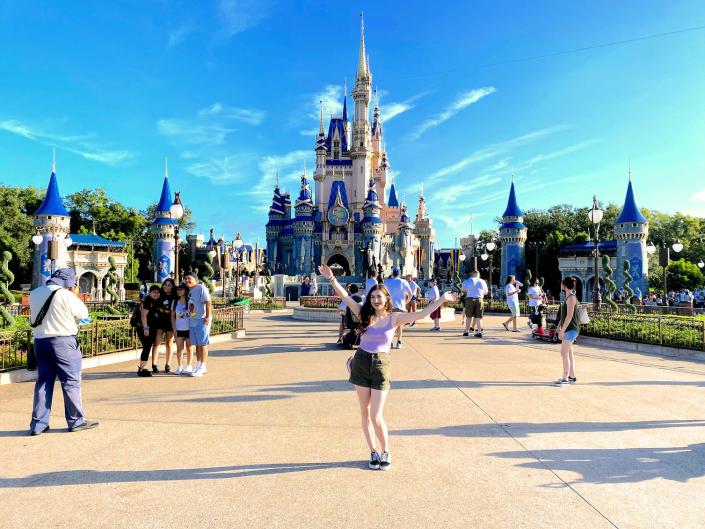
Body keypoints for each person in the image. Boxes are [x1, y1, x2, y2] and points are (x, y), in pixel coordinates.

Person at [319, 264, 455, 471]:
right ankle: (372, 451)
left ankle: (386, 450)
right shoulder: (364, 314)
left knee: (376, 415)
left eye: (379, 297)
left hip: (382, 364)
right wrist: (331, 279)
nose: (375, 300)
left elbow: (421, 314)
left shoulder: (395, 318)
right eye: (372, 297)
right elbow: (345, 296)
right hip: (362, 361)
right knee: (364, 412)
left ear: (386, 299)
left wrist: (442, 299)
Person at [29, 268, 99, 435]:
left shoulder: (35, 293)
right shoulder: (66, 295)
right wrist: (74, 294)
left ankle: (38, 424)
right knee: (71, 381)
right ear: (69, 282)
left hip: (40, 342)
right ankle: (76, 421)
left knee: (44, 382)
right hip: (63, 343)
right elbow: (83, 313)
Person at [185, 272, 212, 377]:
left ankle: (203, 366)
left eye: (189, 278)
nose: (187, 280)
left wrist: (207, 317)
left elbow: (208, 302)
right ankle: (198, 363)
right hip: (192, 320)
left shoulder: (201, 288)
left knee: (203, 344)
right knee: (197, 344)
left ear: (195, 279)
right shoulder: (190, 291)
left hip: (201, 320)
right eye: (186, 278)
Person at [556, 276, 580, 386]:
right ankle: (572, 376)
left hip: (571, 329)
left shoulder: (571, 298)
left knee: (564, 353)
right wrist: (559, 326)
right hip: (569, 329)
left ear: (564, 285)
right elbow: (564, 315)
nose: (561, 285)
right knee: (569, 353)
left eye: (562, 283)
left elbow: (569, 316)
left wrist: (562, 331)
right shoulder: (567, 297)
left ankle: (565, 378)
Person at [383, 268, 413, 349]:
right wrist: (407, 301)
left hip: (389, 306)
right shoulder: (403, 282)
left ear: (392, 274)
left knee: (389, 325)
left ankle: (389, 342)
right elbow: (410, 294)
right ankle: (399, 342)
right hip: (400, 306)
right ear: (399, 274)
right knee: (399, 325)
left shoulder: (386, 282)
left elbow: (382, 293)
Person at [152, 278, 176, 373]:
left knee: (169, 343)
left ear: (172, 287)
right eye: (165, 285)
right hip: (160, 321)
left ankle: (168, 364)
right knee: (157, 342)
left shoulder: (175, 296)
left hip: (171, 322)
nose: (166, 287)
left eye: (169, 285)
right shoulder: (159, 294)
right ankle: (154, 363)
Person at [137, 285, 161, 377]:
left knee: (147, 347)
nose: (156, 294)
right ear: (150, 293)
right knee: (147, 347)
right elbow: (143, 316)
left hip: (151, 327)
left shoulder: (154, 301)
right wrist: (145, 328)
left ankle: (142, 367)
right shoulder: (147, 301)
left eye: (158, 292)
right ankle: (142, 369)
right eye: (154, 292)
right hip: (144, 327)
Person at [171, 283, 193, 375]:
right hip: (179, 328)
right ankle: (180, 366)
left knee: (189, 348)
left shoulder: (190, 301)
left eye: (181, 289)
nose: (179, 291)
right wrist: (174, 328)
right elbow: (172, 316)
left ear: (185, 291)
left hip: (189, 328)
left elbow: (194, 314)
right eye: (178, 290)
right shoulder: (175, 302)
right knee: (179, 348)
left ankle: (189, 365)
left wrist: (191, 313)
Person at [461, 270, 488, 338]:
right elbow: (486, 292)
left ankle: (467, 331)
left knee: (469, 317)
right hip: (479, 299)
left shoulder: (467, 281)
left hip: (470, 299)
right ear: (478, 275)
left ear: (472, 274)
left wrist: (470, 289)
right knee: (479, 317)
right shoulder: (482, 281)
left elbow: (463, 289)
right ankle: (479, 332)